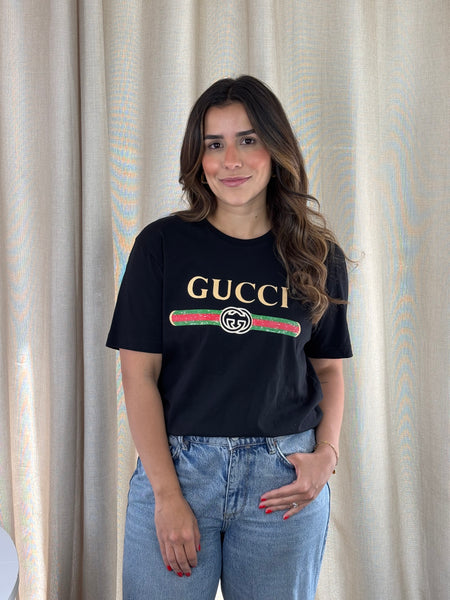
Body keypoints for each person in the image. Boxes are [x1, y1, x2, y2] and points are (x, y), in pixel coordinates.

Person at [107, 75, 352, 600]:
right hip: (178, 471)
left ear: (276, 148)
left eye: (247, 140)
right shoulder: (161, 245)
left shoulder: (316, 256)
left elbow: (329, 369)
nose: (230, 160)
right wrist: (167, 494)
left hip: (282, 480)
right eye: (213, 145)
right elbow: (138, 375)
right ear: (197, 159)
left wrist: (326, 457)